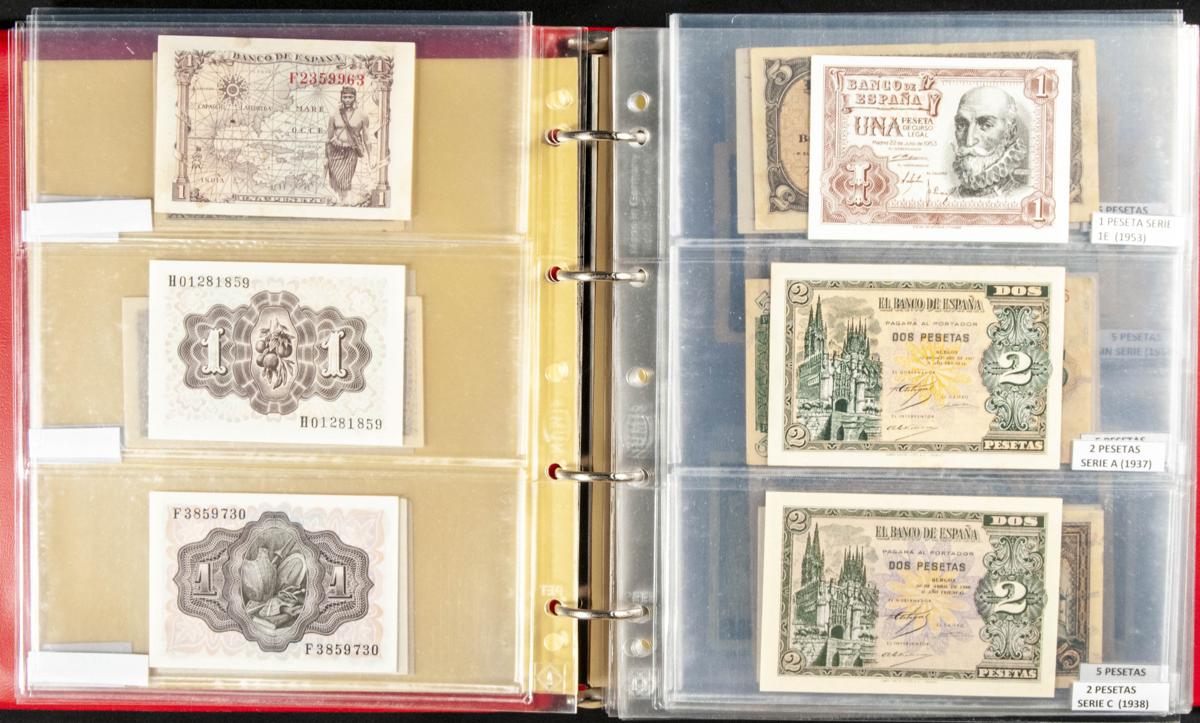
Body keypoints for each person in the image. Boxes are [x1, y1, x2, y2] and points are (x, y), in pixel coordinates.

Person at [950, 86, 1030, 197]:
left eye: (986, 125)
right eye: (962, 125)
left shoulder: (1025, 195)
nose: (969, 141)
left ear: (1010, 133)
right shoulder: (947, 197)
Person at [325, 86, 370, 205]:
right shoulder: (333, 115)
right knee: (335, 181)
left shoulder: (362, 115)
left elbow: (366, 138)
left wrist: (370, 158)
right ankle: (340, 202)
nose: (347, 100)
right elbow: (329, 137)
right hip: (335, 151)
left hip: (351, 151)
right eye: (345, 97)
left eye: (350, 97)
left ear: (355, 98)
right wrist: (326, 156)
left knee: (345, 180)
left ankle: (343, 203)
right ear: (341, 98)